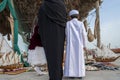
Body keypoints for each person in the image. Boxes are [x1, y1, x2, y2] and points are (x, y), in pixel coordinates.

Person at [38, 0, 67, 80]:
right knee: (58, 57)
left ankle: (54, 77)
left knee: (51, 58)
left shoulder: (44, 6)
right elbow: (64, 20)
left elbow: (40, 22)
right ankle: (58, 76)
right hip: (60, 36)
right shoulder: (62, 4)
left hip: (48, 36)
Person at [64, 10, 87, 79]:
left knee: (71, 59)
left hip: (71, 45)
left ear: (70, 17)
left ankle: (71, 74)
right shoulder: (81, 23)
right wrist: (85, 45)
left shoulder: (68, 23)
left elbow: (66, 33)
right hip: (79, 45)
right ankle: (80, 75)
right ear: (78, 16)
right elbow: (84, 35)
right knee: (79, 59)